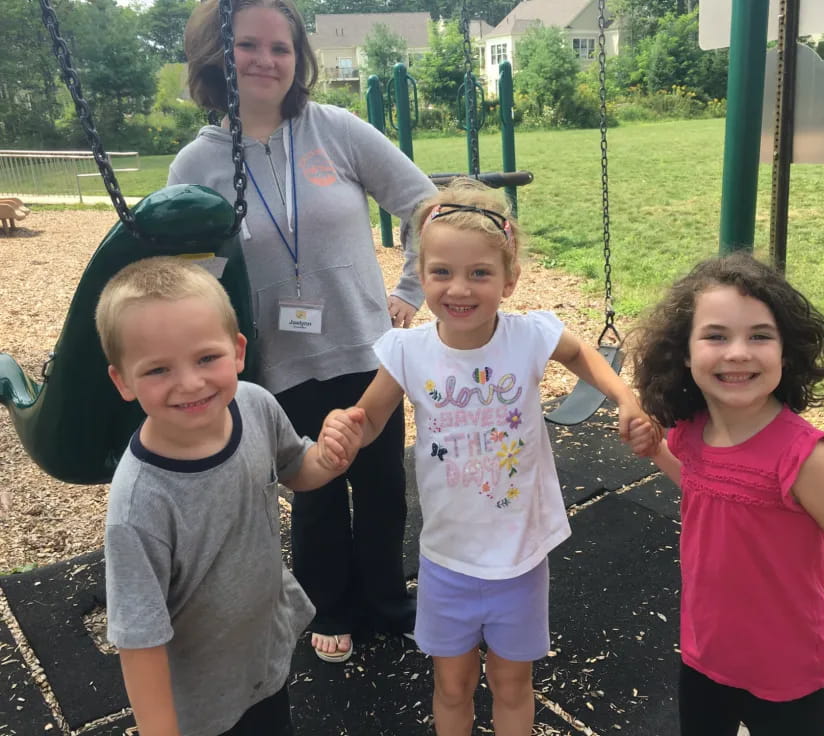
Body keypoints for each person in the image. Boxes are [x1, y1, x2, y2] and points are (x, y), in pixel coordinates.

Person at [322, 180, 659, 735]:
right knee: (451, 687)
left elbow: (583, 356)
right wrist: (345, 427)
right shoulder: (409, 351)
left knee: (511, 683)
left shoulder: (527, 337)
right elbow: (371, 417)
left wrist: (625, 399)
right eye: (441, 273)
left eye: (479, 273)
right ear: (421, 275)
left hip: (520, 558)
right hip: (447, 561)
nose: (460, 288)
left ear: (509, 280)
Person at [169, 0, 438, 662]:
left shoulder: (335, 131)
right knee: (313, 492)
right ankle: (330, 605)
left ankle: (385, 601)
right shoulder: (196, 166)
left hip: (365, 351)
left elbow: (425, 203)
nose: (266, 59)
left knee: (379, 486)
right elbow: (194, 284)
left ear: (299, 60)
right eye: (248, 45)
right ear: (217, 55)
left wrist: (409, 290)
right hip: (277, 362)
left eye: (281, 47)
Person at [627, 253, 824, 736]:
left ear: (786, 353)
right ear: (684, 352)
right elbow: (709, 492)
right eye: (716, 335)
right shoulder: (690, 430)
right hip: (706, 658)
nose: (738, 352)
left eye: (759, 336)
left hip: (793, 676)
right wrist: (659, 451)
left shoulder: (809, 460)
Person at [95, 257, 365, 736]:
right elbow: (139, 640)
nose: (190, 383)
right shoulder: (141, 506)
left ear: (237, 351)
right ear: (122, 382)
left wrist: (328, 458)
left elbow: (295, 468)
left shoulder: (254, 404)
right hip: (201, 701)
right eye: (158, 369)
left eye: (206, 358)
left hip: (262, 654)